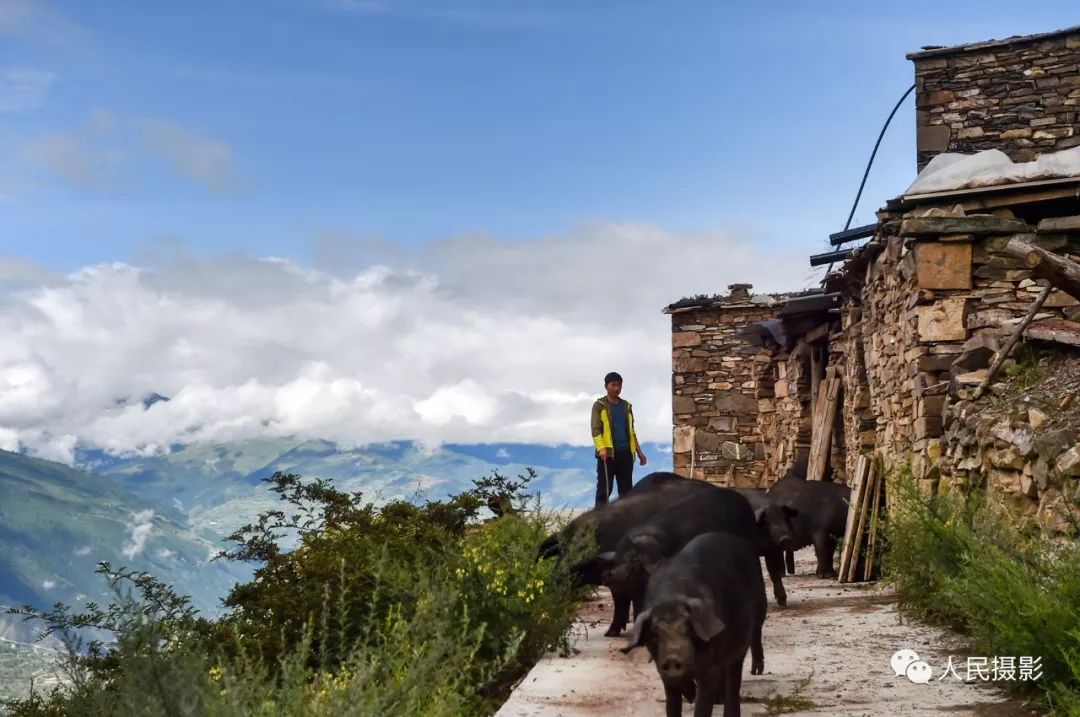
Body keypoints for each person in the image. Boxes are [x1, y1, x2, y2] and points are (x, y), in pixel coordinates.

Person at [590, 371, 648, 507]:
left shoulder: (626, 406)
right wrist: (601, 448)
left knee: (627, 492)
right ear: (606, 386)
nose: (616, 388)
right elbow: (595, 429)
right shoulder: (599, 405)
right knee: (604, 491)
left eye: (619, 385)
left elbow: (632, 431)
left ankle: (626, 523)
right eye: (613, 385)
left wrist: (640, 452)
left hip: (626, 453)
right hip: (608, 454)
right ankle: (597, 525)